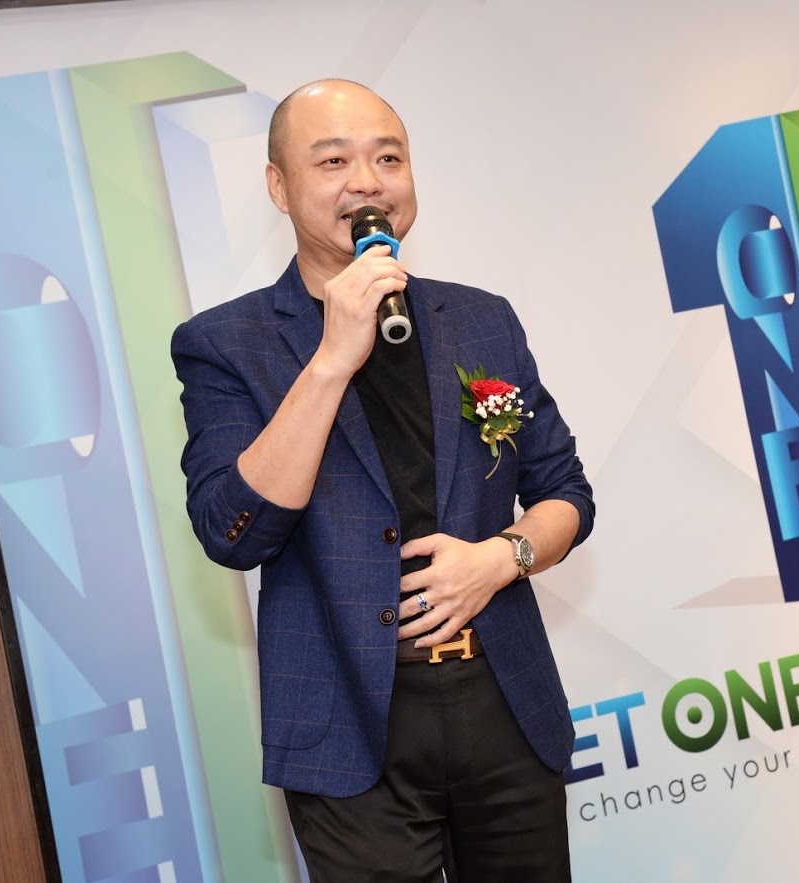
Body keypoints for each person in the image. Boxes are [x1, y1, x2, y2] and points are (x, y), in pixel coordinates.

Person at [171, 78, 593, 881]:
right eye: (333, 161)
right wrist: (332, 359)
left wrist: (501, 557)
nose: (367, 182)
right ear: (278, 186)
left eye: (388, 159)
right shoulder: (226, 343)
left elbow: (566, 491)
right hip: (347, 724)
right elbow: (233, 530)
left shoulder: (480, 320)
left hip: (505, 700)